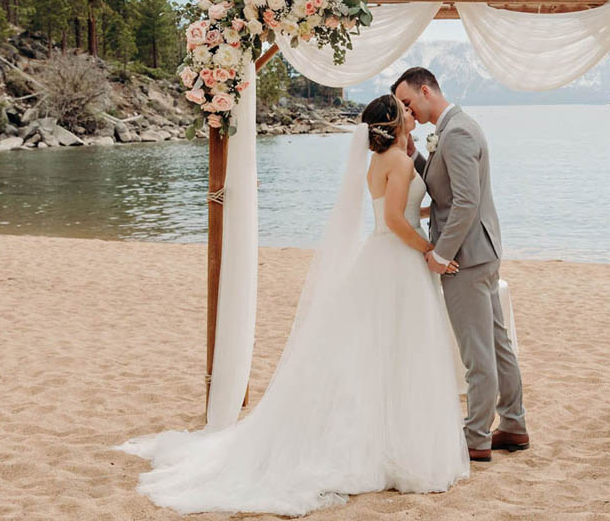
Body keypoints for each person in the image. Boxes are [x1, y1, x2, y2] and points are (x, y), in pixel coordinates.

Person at [115, 94, 469, 516]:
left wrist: (432, 209)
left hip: (380, 257)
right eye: (405, 111)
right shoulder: (398, 161)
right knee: (400, 348)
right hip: (398, 261)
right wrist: (431, 249)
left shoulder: (381, 163)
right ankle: (396, 442)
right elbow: (396, 220)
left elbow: (398, 210)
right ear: (393, 124)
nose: (412, 114)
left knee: (377, 350)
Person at [392, 67, 529, 462]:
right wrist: (414, 155)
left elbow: (466, 203)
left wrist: (440, 254)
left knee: (478, 352)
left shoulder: (458, 132)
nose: (407, 111)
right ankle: (514, 424)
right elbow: (444, 190)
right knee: (498, 345)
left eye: (407, 102)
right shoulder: (450, 131)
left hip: (465, 258)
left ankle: (476, 437)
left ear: (425, 90)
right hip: (479, 254)